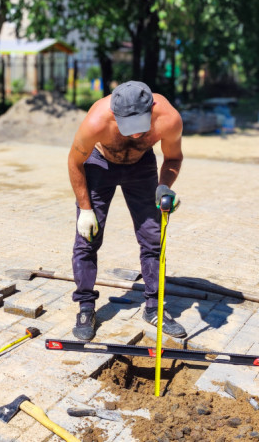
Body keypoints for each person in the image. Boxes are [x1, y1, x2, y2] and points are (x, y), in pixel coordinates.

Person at [68, 80, 186, 341]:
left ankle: (154, 308)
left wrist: (164, 186)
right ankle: (86, 307)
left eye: (140, 128)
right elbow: (74, 162)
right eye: (127, 127)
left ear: (152, 109)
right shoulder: (97, 120)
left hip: (142, 166)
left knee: (153, 238)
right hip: (99, 165)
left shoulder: (169, 119)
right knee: (87, 239)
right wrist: (86, 209)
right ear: (114, 113)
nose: (134, 135)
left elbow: (174, 158)